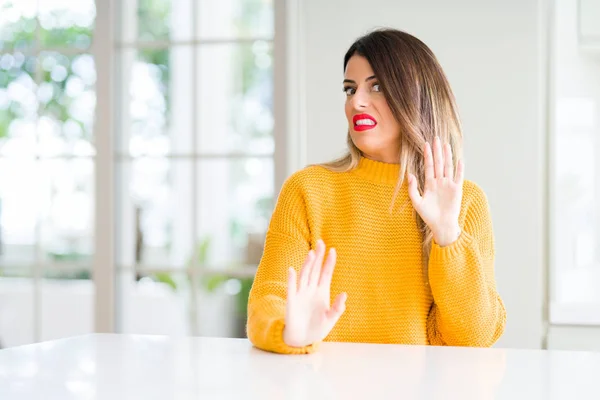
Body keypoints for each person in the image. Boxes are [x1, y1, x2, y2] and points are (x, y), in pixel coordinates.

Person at [246, 28, 506, 354]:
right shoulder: (307, 190)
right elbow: (267, 300)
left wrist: (447, 234)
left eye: (377, 86)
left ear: (417, 98)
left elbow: (474, 337)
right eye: (349, 89)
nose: (356, 101)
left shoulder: (465, 202)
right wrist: (289, 332)